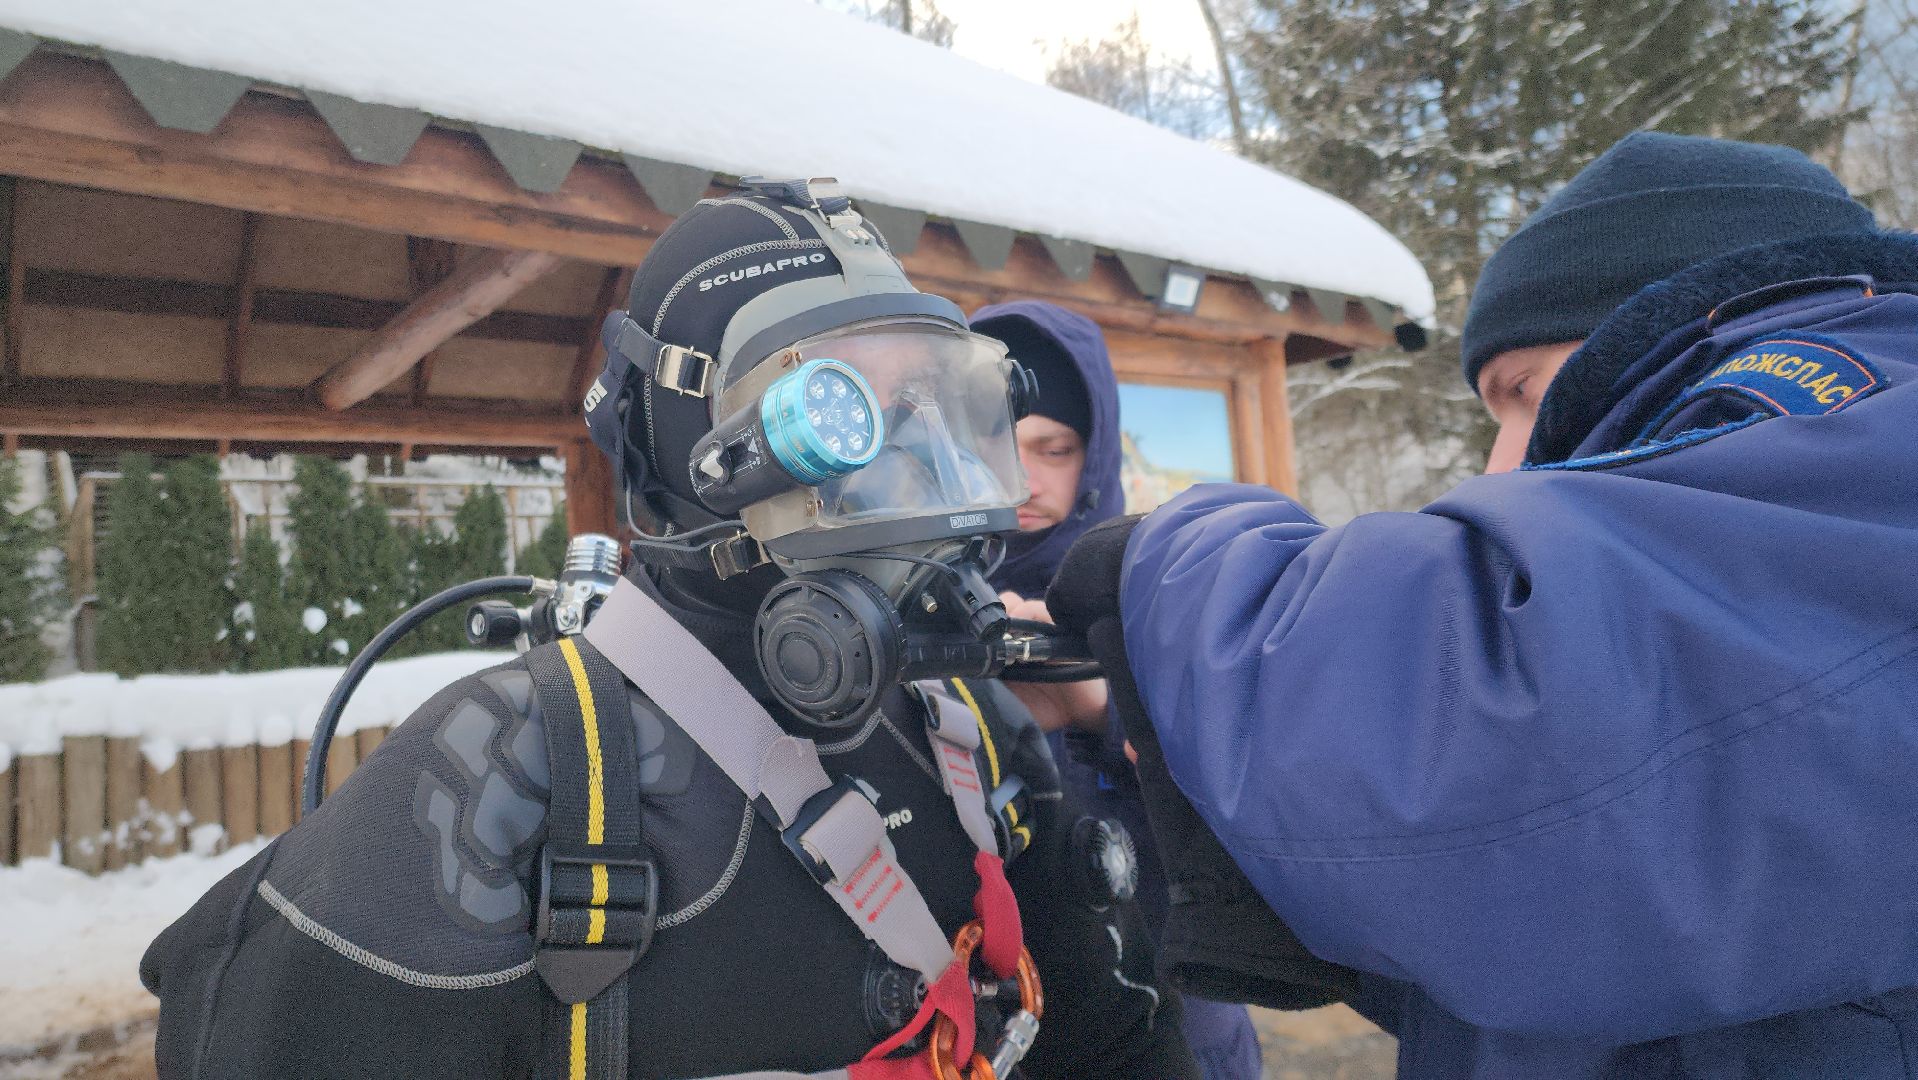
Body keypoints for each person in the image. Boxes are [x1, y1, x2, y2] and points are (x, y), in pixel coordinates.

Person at [140, 179, 1196, 1079]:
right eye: (839, 415)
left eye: (922, 406)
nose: (906, 466)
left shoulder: (967, 721)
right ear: (703, 442)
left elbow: (1113, 1037)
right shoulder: (506, 770)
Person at [1046, 131, 1918, 1077]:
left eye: (1525, 392)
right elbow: (1555, 918)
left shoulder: (1869, 411)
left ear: (1656, 320)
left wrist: (1175, 563)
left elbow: (1529, 721)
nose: (1502, 462)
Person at [969, 299, 1264, 1080]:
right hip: (997, 1016)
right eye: (997, 443)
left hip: (1170, 1002)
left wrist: (1104, 706)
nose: (1024, 476)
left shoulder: (1158, 584)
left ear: (1094, 452)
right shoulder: (926, 599)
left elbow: (1252, 796)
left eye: (1054, 447)